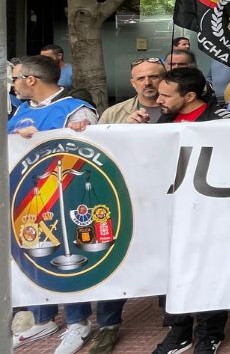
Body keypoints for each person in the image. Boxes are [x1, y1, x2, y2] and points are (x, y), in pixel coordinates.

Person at [8, 55, 103, 354]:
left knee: (67, 257)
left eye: (16, 79)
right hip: (25, 198)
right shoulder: (21, 111)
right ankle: (43, 318)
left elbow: (92, 149)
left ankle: (78, 321)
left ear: (31, 80)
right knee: (33, 254)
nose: (13, 85)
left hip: (65, 196)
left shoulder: (75, 109)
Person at [151, 67, 230, 354]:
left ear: (189, 96)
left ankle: (210, 333)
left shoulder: (222, 121)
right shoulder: (163, 120)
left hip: (211, 213)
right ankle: (179, 330)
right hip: (172, 212)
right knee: (173, 271)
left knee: (208, 271)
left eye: (165, 94)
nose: (157, 98)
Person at [99, 57, 166, 124]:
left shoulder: (176, 109)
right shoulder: (112, 114)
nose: (147, 83)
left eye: (153, 77)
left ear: (165, 79)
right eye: (141, 78)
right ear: (133, 83)